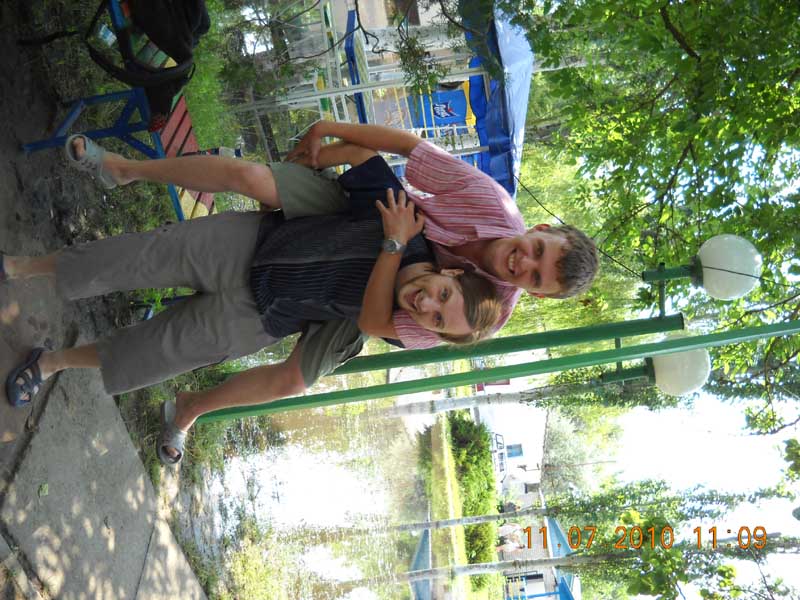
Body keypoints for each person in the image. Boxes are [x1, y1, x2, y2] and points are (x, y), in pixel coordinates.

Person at [3, 146, 501, 463]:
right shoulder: (403, 216)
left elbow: (367, 324)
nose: (426, 305)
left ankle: (50, 362)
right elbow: (360, 158)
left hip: (258, 316)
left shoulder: (389, 321)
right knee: (131, 258)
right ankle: (18, 267)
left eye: (437, 320)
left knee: (151, 352)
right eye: (443, 295)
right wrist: (310, 154)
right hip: (249, 245)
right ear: (452, 273)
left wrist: (391, 251)